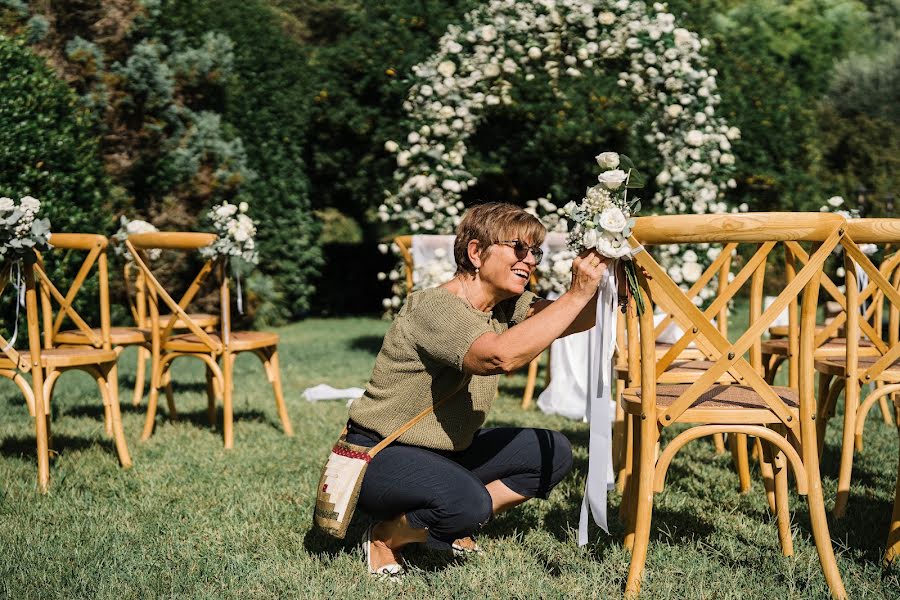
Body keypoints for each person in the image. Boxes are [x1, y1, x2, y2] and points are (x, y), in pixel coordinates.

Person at [346, 202, 609, 576]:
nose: (530, 260)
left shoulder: (505, 306)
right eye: (519, 248)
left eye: (535, 251)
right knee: (468, 505)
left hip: (447, 453)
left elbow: (577, 317)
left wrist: (615, 275)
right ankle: (385, 536)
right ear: (475, 252)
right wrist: (577, 293)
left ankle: (448, 516)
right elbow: (497, 358)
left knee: (553, 451)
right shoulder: (435, 306)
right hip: (381, 453)